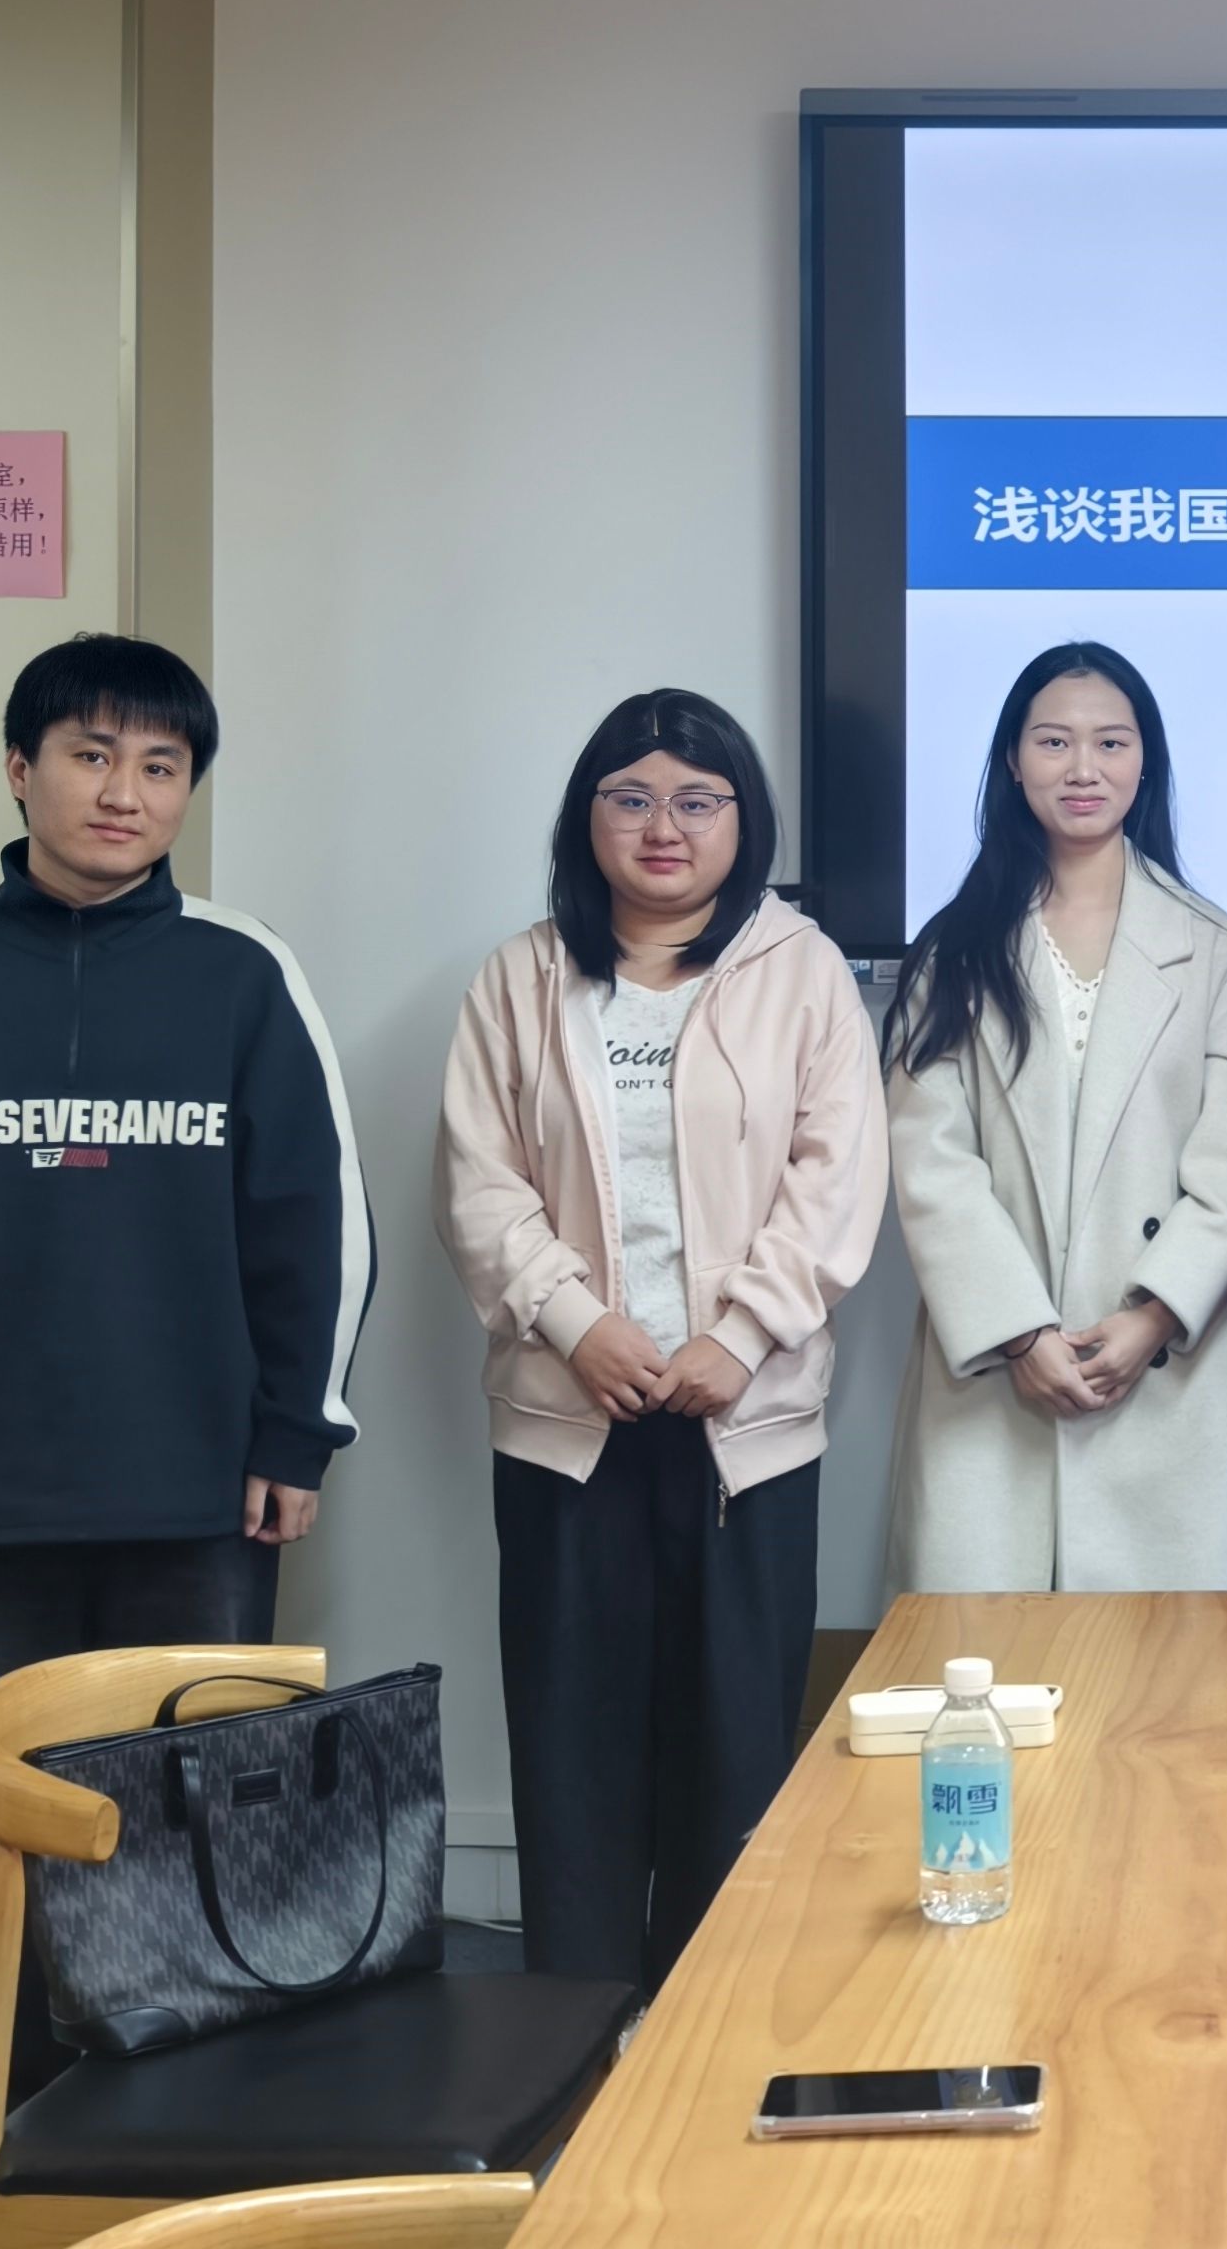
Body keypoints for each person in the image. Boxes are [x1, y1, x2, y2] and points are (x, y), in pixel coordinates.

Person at [0, 635, 369, 2237]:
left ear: (188, 790)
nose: (124, 792)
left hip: (195, 1500)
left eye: (160, 766)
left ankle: (188, 2125)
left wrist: (296, 1436)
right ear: (20, 769)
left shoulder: (243, 977)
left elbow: (314, 1223)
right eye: (90, 754)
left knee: (199, 1823)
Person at [437, 689, 885, 1995]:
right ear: (588, 818)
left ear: (744, 821)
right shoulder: (521, 977)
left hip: (745, 1429)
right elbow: (480, 1184)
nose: (664, 827)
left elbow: (837, 1177)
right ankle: (578, 2034)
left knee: (734, 1747)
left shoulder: (801, 970)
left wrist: (739, 1337)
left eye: (698, 800)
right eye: (630, 797)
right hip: (569, 1423)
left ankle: (705, 2027)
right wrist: (578, 1323)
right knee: (572, 1748)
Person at [884, 643, 1227, 1592]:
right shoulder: (953, 948)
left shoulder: (1214, 946)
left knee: (1167, 1668)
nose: (1083, 768)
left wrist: (1151, 1318)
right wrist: (1020, 1332)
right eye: (1053, 742)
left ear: (1146, 764)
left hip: (1159, 1361)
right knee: (982, 1657)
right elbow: (930, 1162)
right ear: (1013, 763)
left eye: (1111, 742)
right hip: (995, 1365)